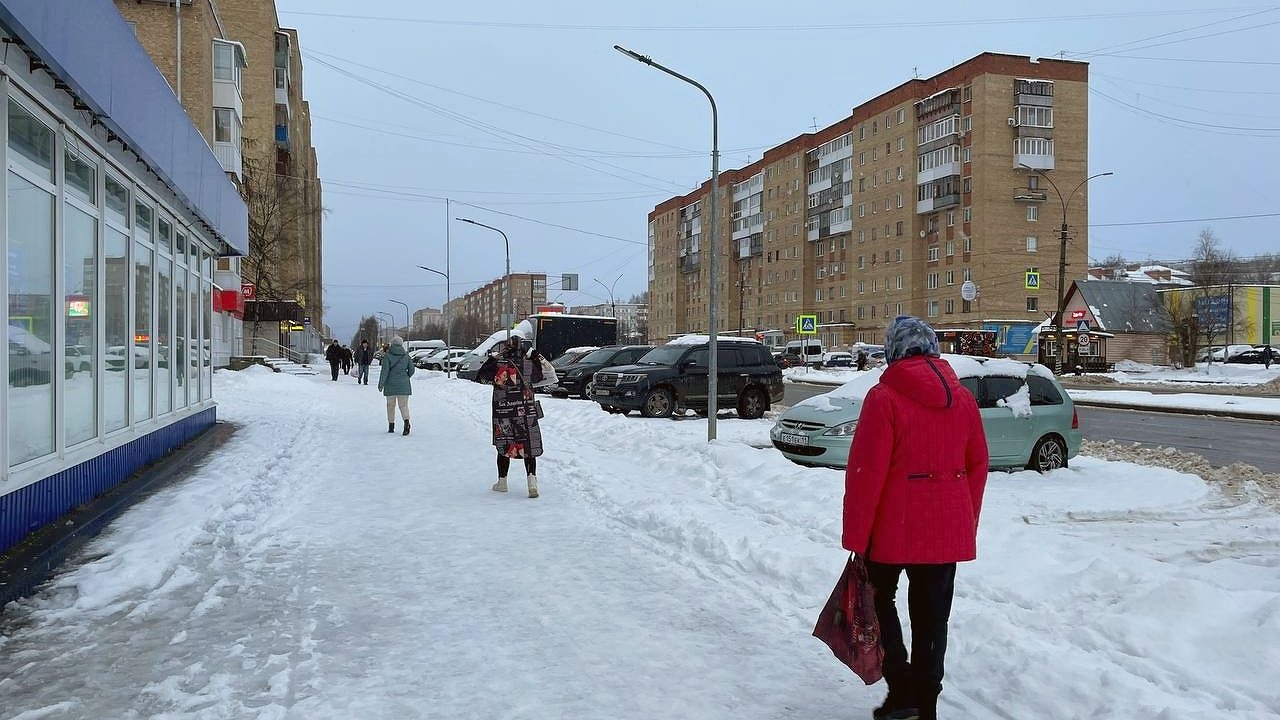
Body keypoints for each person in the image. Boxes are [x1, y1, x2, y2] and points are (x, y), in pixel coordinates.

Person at [842, 316, 988, 720]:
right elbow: (978, 465)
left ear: (893, 351)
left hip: (892, 529)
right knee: (932, 619)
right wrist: (965, 520)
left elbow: (866, 473)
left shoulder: (884, 397)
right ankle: (926, 705)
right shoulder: (963, 399)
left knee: (877, 602)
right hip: (946, 530)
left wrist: (857, 538)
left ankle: (903, 689)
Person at [473, 333, 547, 499]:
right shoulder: (528, 364)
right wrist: (534, 357)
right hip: (526, 412)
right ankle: (532, 481)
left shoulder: (499, 363)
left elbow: (481, 376)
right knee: (528, 445)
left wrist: (492, 360)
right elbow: (539, 377)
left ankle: (502, 482)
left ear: (506, 347)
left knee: (504, 443)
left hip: (503, 412)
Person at [377, 335, 415, 435]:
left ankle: (391, 426)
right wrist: (405, 377)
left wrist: (381, 384)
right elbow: (412, 370)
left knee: (390, 406)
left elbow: (384, 372)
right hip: (404, 385)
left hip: (390, 385)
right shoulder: (406, 356)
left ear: (392, 344)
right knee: (403, 406)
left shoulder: (387, 356)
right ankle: (406, 422)